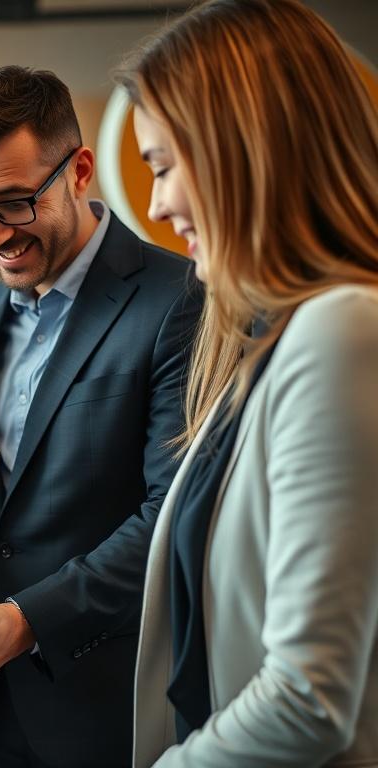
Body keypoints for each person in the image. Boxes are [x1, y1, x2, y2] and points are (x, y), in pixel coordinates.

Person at [0, 67, 203, 766]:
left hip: (107, 700)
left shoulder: (178, 300)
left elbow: (173, 515)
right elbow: (6, 500)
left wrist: (32, 621)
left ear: (80, 170)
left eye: (15, 202)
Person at [118, 1, 378, 765]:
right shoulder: (272, 340)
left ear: (243, 148)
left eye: (164, 165)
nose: (159, 205)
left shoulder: (341, 330)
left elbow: (307, 697)